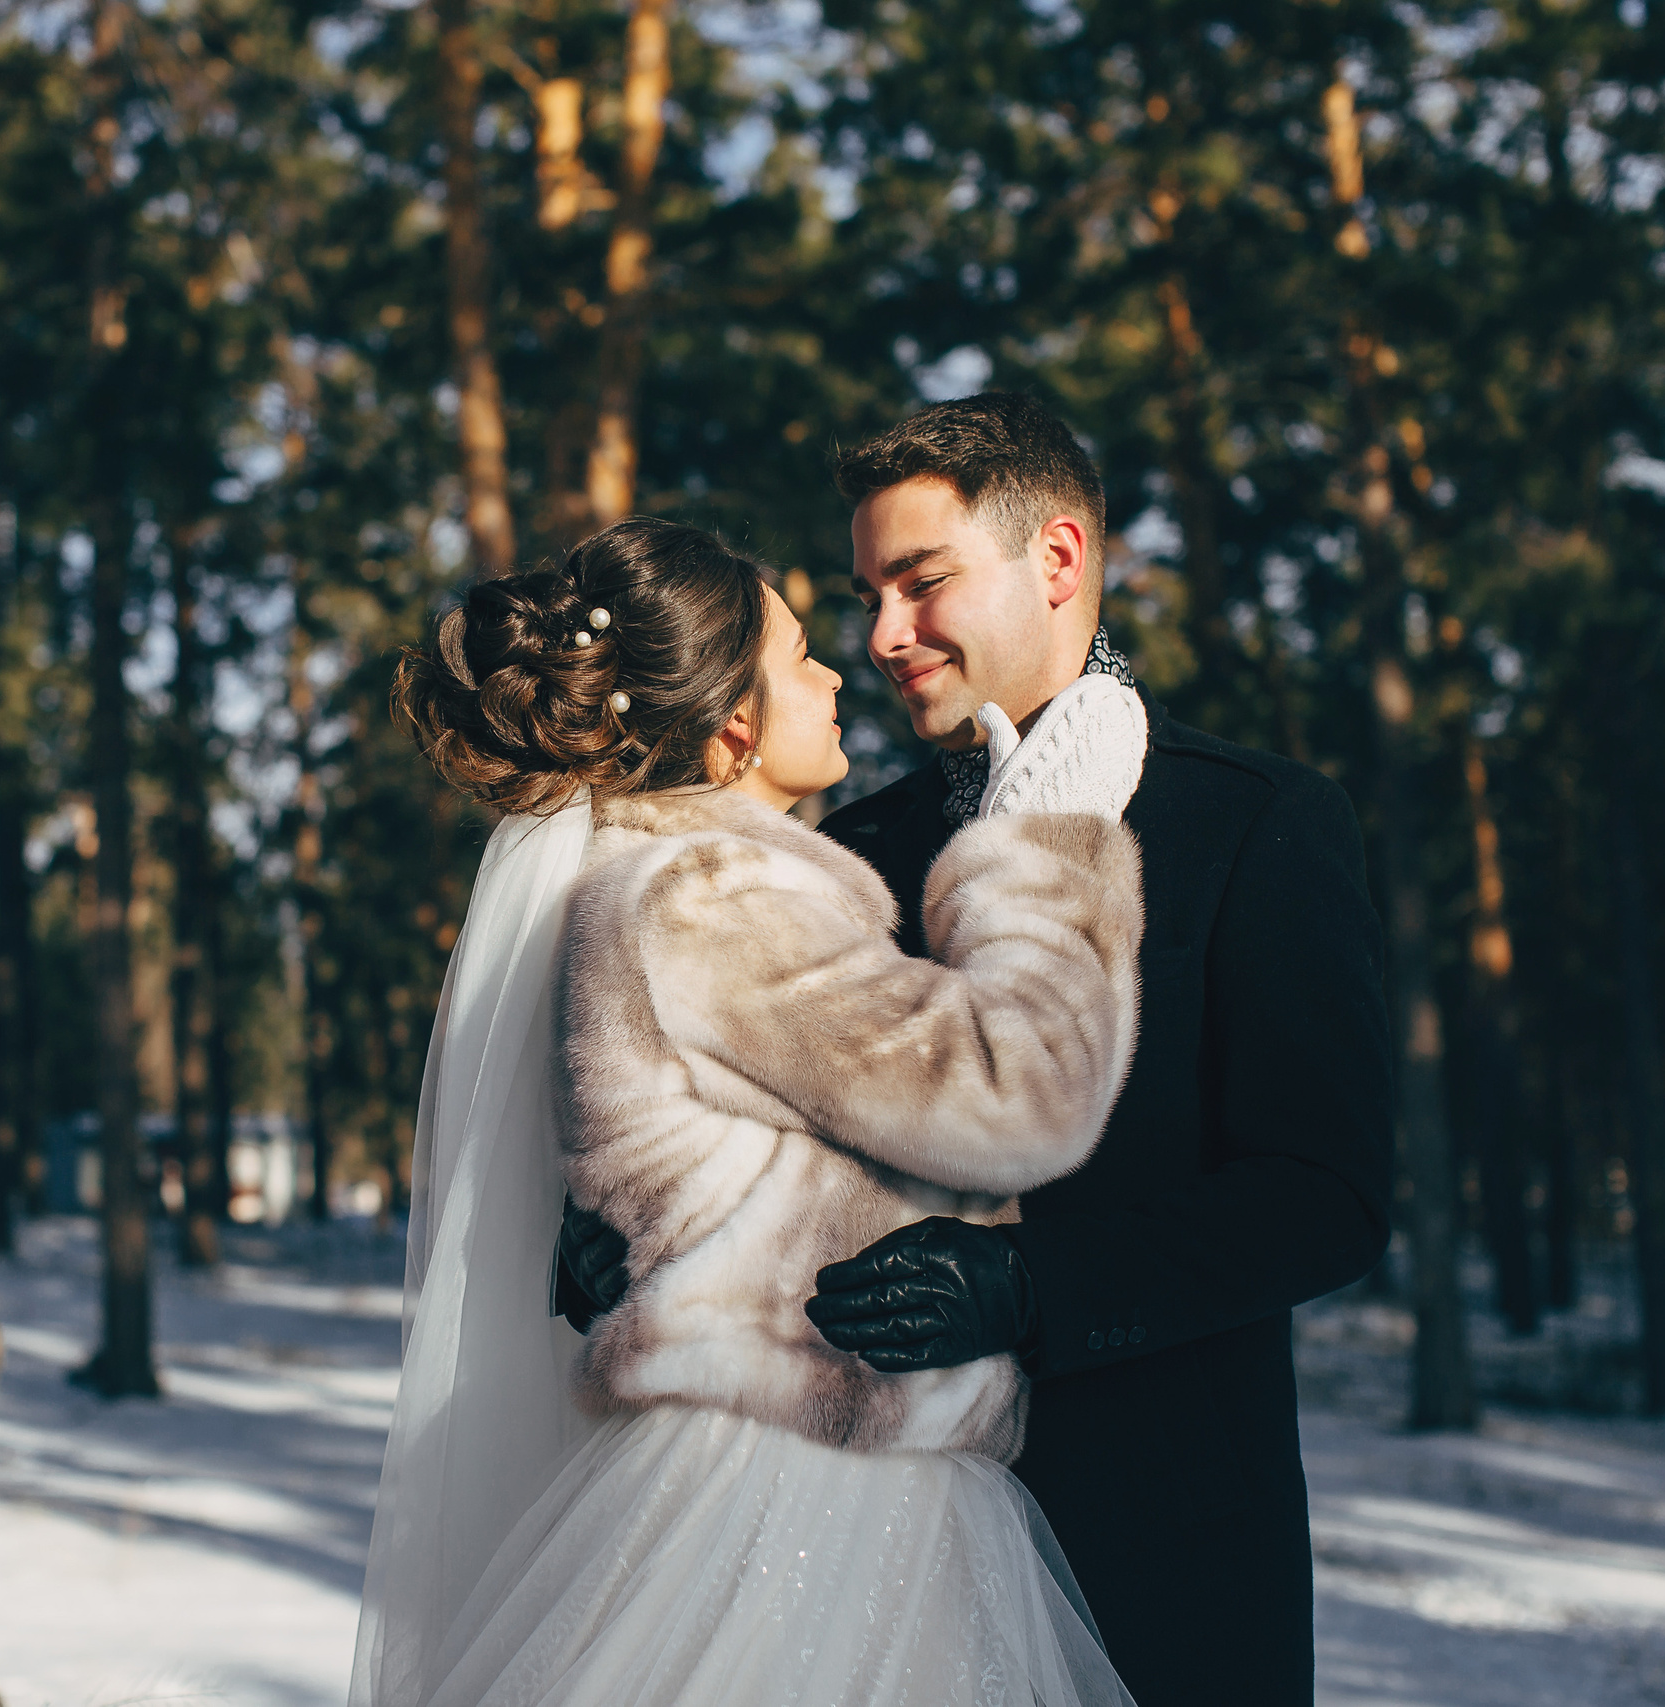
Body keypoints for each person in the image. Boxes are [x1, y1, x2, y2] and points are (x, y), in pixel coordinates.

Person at [560, 394, 1396, 1707]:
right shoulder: (858, 848)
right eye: (867, 592)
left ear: (1057, 559)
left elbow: (1326, 1195)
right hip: (855, 1551)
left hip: (1162, 1550)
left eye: (921, 581)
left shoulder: (1254, 823)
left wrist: (1033, 1287)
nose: (885, 634)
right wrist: (629, 1221)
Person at [352, 515, 1150, 1707]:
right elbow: (1013, 1092)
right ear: (733, 728)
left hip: (774, 1471)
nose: (837, 671)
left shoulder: (649, 882)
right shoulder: (718, 889)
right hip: (801, 1499)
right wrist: (1044, 844)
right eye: (795, 659)